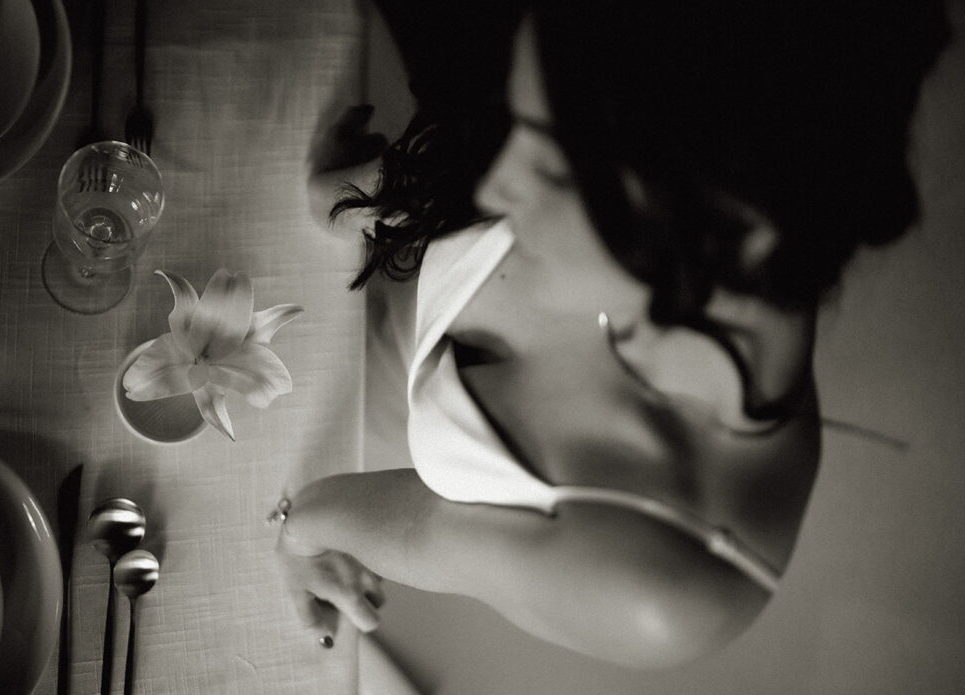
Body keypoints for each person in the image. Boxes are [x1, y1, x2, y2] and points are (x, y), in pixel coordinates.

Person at [279, 0, 948, 668]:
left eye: (551, 166)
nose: (496, 183)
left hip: (382, 422)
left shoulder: (659, 579)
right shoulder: (622, 102)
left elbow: (407, 523)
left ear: (740, 227)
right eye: (521, 128)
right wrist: (381, 194)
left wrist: (299, 528)